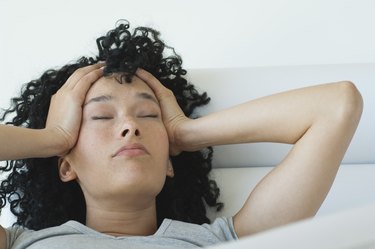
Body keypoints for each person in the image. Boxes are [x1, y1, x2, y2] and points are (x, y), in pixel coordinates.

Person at [0, 20, 363, 249]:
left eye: (148, 114)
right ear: (66, 167)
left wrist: (185, 133)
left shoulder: (225, 241)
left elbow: (338, 105)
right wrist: (53, 137)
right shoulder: (19, 243)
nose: (131, 126)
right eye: (101, 116)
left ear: (171, 164)